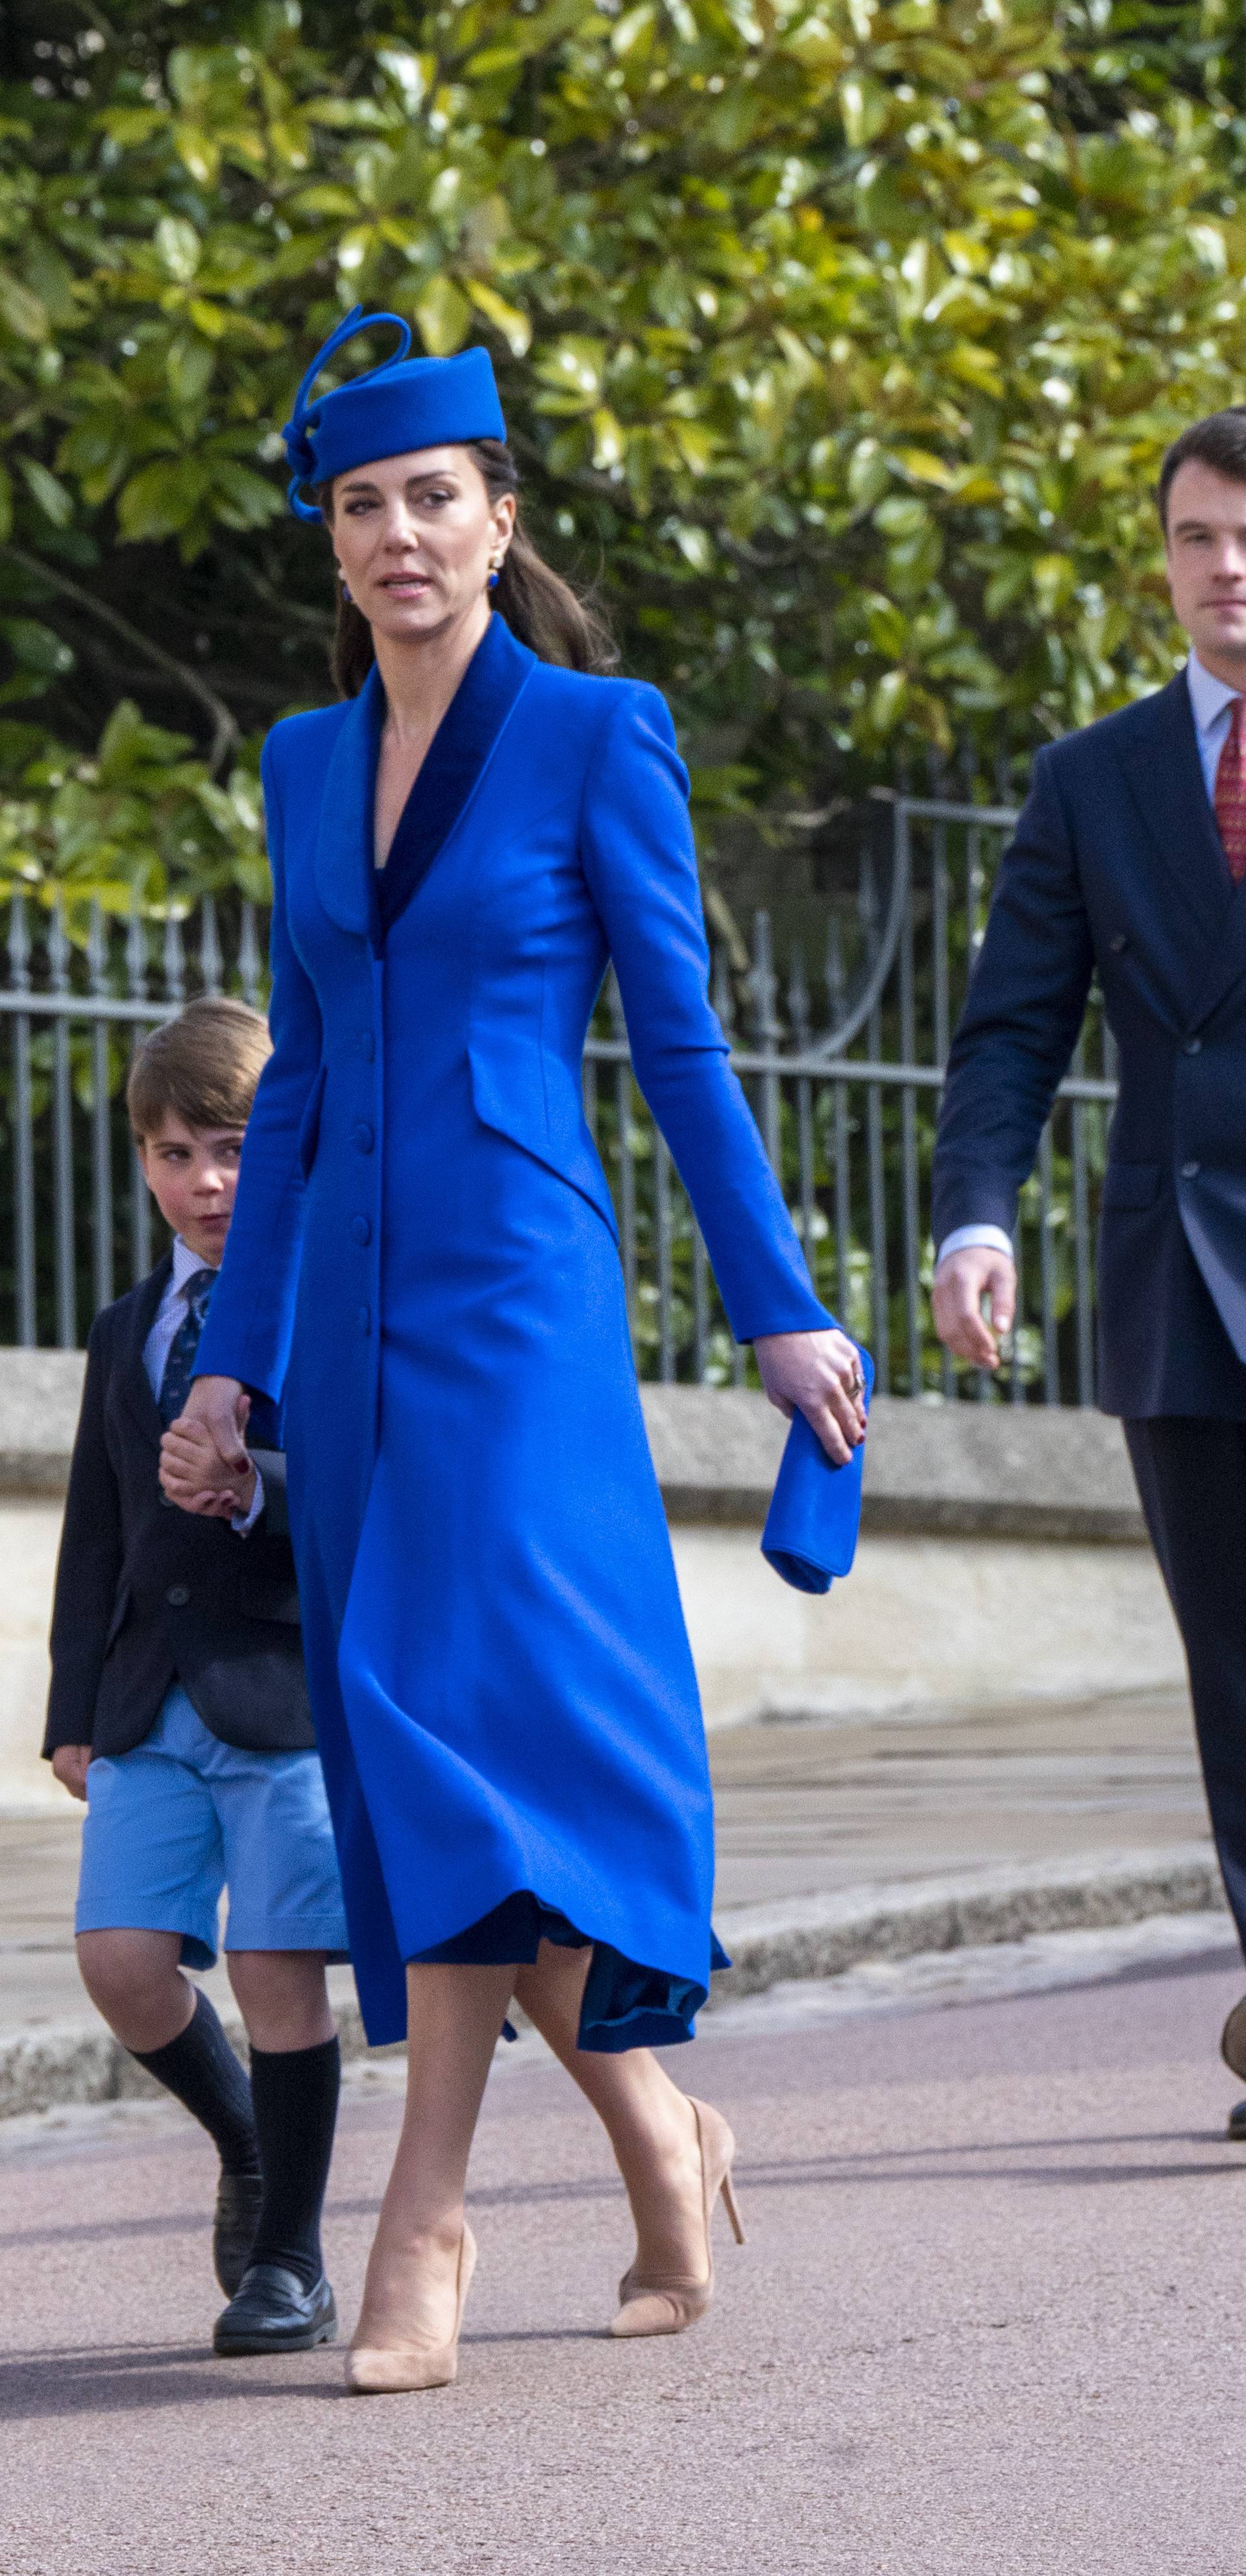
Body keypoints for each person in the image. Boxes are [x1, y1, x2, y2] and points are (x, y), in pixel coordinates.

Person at [165, 306, 867, 2395]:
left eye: (435, 498)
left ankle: (427, 2216)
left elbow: (677, 1043)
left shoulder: (595, 731)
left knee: (447, 1715)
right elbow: (286, 1099)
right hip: (360, 1337)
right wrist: (238, 1362)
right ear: (336, 536)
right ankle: (665, 2138)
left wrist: (780, 1299)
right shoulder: (301, 762)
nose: (401, 534)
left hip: (524, 1309)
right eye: (363, 503)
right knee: (430, 1752)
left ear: (499, 518)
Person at [931, 406, 1246, 2137]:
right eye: (1199, 538)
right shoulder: (1093, 778)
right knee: (1238, 1671)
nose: (1229, 571)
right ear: (1164, 557)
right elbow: (1008, 1038)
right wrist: (977, 1217)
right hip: (1180, 1284)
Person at [45, 997, 348, 2354]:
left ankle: (289, 2258)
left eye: (228, 1144)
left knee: (281, 1970)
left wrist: (251, 1492)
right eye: (173, 1152)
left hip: (280, 1696)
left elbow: (364, 1486)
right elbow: (92, 1530)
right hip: (147, 1699)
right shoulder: (125, 1327)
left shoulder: (325, 1298)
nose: (204, 1179)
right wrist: (69, 1712)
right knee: (121, 1962)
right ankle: (249, 2149)